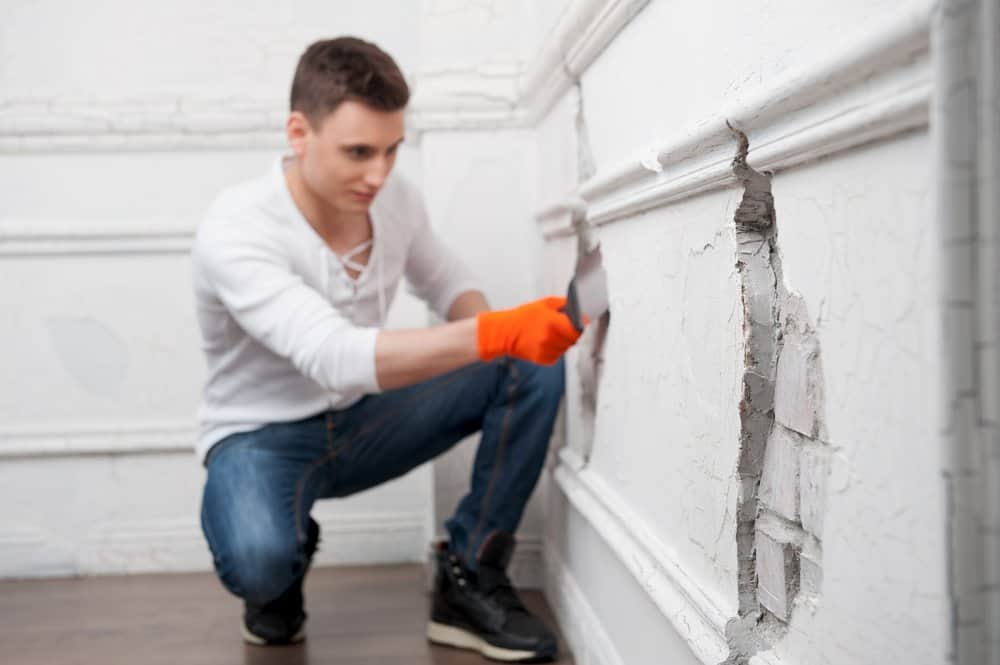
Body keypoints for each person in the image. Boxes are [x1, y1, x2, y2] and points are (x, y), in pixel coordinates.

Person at [191, 36, 583, 663]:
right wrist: (497, 332)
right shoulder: (236, 228)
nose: (379, 173)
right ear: (299, 132)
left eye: (392, 150)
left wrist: (500, 341)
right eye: (358, 152)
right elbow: (333, 355)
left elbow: (449, 284)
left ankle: (469, 574)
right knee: (261, 560)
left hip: (368, 417)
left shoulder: (393, 200)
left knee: (528, 366)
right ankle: (279, 572)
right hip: (259, 436)